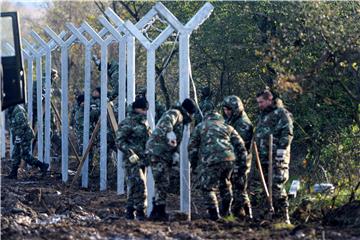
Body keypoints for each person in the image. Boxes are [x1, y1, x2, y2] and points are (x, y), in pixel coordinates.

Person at [188, 104, 248, 220]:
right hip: (229, 159)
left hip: (211, 160)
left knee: (207, 188)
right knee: (225, 184)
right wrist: (242, 163)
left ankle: (214, 215)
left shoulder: (201, 126)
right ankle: (226, 212)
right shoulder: (227, 127)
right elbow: (240, 145)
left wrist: (194, 164)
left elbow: (192, 147)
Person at [146, 98, 197, 221]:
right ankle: (158, 211)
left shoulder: (180, 118)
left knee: (162, 182)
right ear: (189, 111)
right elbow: (167, 123)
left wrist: (174, 154)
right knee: (162, 182)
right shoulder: (176, 113)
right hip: (158, 151)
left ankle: (157, 211)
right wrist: (170, 136)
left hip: (162, 152)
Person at [254, 89, 294, 224]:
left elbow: (287, 133)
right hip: (264, 158)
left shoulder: (282, 113)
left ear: (269, 99)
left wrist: (281, 151)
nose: (259, 105)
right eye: (258, 102)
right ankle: (271, 216)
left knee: (277, 186)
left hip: (277, 157)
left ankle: (283, 218)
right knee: (266, 187)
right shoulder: (263, 116)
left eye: (261, 102)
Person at [116, 97, 151, 220]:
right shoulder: (128, 122)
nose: (146, 112)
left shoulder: (144, 122)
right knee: (140, 185)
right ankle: (141, 212)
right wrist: (130, 153)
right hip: (131, 161)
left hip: (142, 160)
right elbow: (119, 141)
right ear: (138, 109)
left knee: (134, 187)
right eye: (144, 109)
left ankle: (130, 212)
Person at [222, 95, 253, 219]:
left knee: (239, 189)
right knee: (236, 189)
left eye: (229, 109)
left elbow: (241, 146)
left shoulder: (243, 123)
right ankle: (241, 214)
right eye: (225, 109)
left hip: (241, 162)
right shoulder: (232, 120)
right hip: (233, 160)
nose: (226, 112)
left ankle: (246, 215)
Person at [6, 104, 49, 179]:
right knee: (16, 153)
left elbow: (22, 125)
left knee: (25, 155)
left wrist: (18, 138)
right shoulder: (11, 110)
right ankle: (13, 173)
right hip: (19, 135)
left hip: (25, 135)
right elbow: (13, 126)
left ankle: (42, 165)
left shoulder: (18, 110)